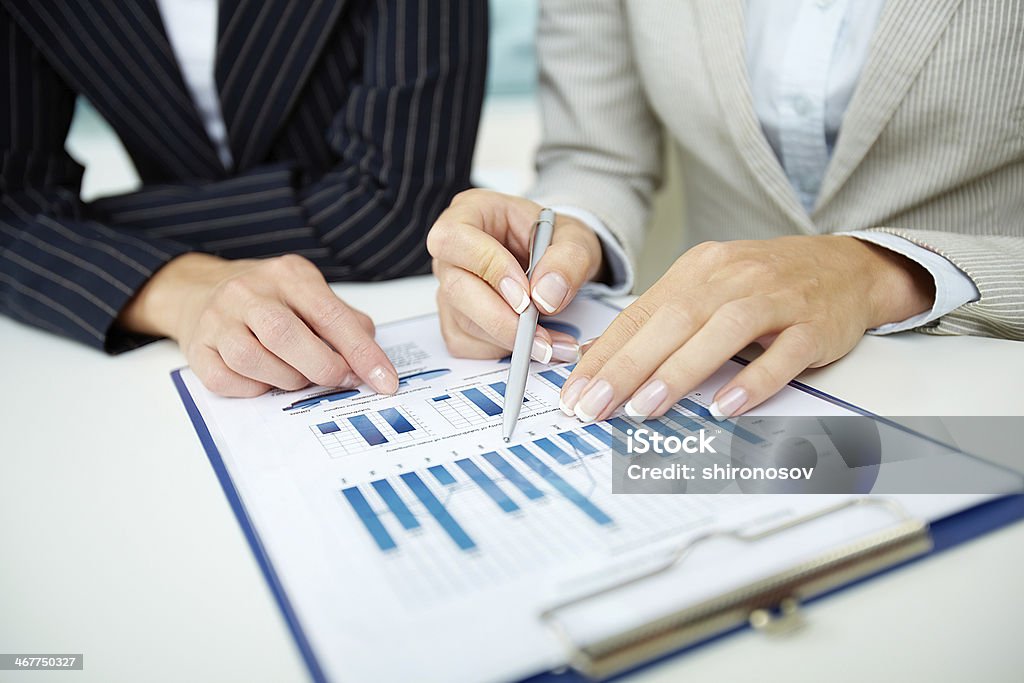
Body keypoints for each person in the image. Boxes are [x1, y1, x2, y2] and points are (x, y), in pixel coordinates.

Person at [429, 1, 1023, 423]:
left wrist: (882, 271)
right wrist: (564, 234)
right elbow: (596, 154)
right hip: (720, 388)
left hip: (983, 385)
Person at [0, 0, 487, 397]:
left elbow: (400, 209)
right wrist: (176, 287)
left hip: (391, 292)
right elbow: (9, 208)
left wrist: (77, 228)